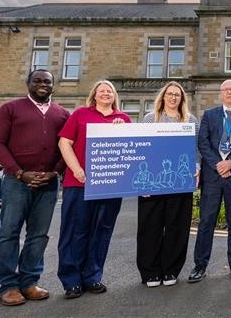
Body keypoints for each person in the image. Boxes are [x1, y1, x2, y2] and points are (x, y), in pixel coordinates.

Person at [0, 69, 70, 306]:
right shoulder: (10, 109)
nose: (43, 84)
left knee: (38, 235)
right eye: (38, 81)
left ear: (53, 85)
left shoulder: (62, 114)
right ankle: (8, 285)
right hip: (16, 182)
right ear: (28, 83)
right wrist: (19, 172)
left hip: (48, 183)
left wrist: (55, 172)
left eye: (47, 81)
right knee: (9, 233)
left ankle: (29, 282)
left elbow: (67, 146)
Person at [57, 80, 131, 299]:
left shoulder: (124, 119)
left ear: (114, 96)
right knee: (75, 231)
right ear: (94, 95)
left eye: (110, 91)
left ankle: (92, 277)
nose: (106, 93)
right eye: (102, 90)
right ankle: (71, 281)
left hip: (110, 186)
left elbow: (132, 151)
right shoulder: (80, 114)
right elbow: (64, 143)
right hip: (79, 183)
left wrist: (122, 132)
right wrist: (76, 168)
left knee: (102, 232)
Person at [188, 79, 231, 283]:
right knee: (206, 221)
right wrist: (218, 164)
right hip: (213, 176)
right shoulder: (209, 115)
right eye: (226, 89)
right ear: (221, 93)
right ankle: (200, 265)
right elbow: (203, 143)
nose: (229, 92)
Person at [136, 82, 199, 288]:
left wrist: (197, 167)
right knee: (150, 227)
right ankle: (150, 272)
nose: (173, 98)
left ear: (182, 99)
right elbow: (141, 149)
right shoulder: (149, 119)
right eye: (170, 94)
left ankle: (171, 269)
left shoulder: (190, 120)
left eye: (177, 95)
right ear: (163, 96)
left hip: (179, 183)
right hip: (153, 184)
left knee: (177, 227)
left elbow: (196, 149)